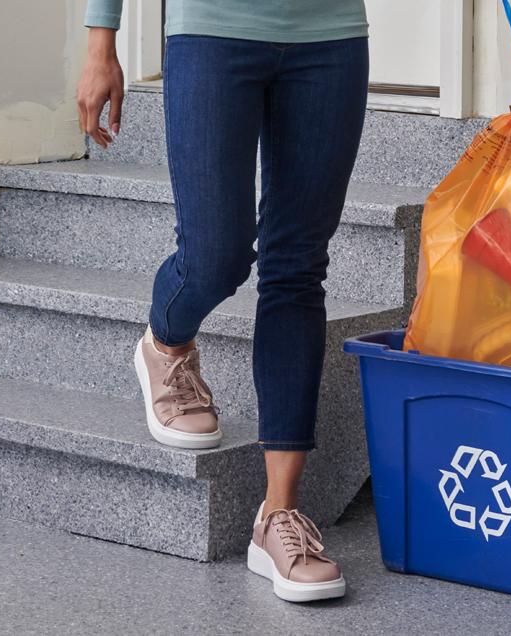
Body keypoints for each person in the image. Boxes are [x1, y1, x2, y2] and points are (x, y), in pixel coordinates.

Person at [76, 0, 368, 602]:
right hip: (212, 29)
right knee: (216, 255)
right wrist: (100, 44)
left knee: (297, 267)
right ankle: (166, 339)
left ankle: (277, 517)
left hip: (331, 35)